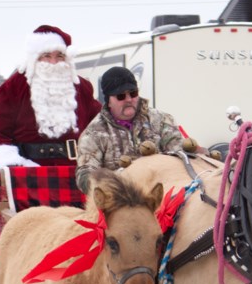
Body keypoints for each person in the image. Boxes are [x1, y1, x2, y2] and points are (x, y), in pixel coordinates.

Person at [0, 25, 102, 175]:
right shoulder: (13, 87)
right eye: (46, 56)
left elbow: (100, 125)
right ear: (35, 57)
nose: (53, 63)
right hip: (28, 173)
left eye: (59, 56)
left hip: (77, 173)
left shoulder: (81, 87)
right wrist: (13, 165)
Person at [75, 66, 184, 194]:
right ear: (108, 101)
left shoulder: (161, 120)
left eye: (133, 93)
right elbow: (85, 175)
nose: (129, 99)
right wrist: (115, 183)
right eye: (121, 96)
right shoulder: (93, 133)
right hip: (122, 201)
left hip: (163, 194)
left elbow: (179, 155)